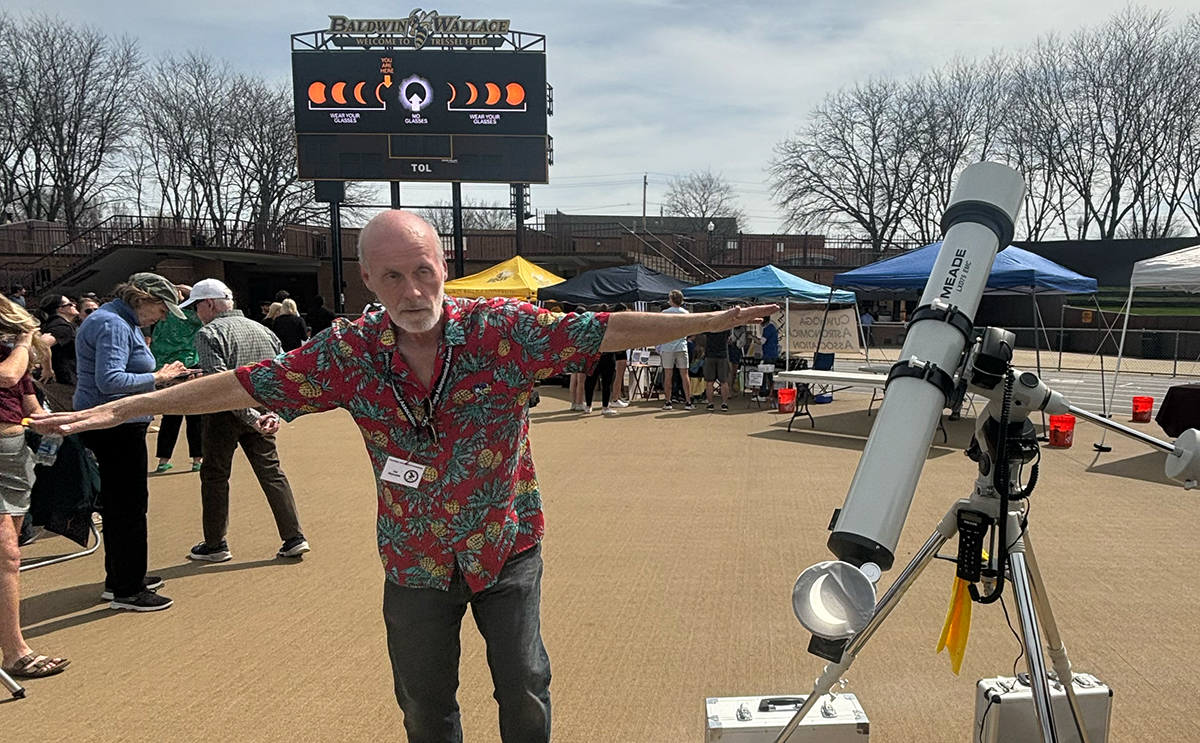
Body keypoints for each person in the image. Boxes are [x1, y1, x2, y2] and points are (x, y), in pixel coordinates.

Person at [32, 210, 775, 743]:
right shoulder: (348, 352)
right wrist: (123, 407)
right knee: (424, 704)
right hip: (415, 560)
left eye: (424, 270)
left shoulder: (501, 331)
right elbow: (243, 384)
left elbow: (604, 329)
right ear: (368, 279)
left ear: (443, 265)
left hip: (505, 546)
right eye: (394, 275)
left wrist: (704, 323)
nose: (414, 289)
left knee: (524, 684)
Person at [74, 273, 188, 611]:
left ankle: (123, 577)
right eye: (162, 309)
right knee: (129, 507)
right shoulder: (113, 324)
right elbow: (110, 380)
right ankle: (128, 588)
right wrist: (159, 377)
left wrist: (159, 378)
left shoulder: (115, 321)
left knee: (122, 505)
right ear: (142, 300)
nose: (163, 316)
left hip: (116, 421)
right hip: (115, 424)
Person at [181, 279, 309, 563]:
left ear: (209, 304)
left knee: (215, 476)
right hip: (262, 410)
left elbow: (219, 385)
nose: (195, 314)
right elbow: (279, 377)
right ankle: (294, 536)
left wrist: (251, 417)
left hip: (224, 415)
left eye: (196, 307)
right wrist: (268, 414)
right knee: (272, 473)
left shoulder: (209, 333)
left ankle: (215, 544)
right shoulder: (263, 329)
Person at [0, 296, 70, 679]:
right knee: (8, 555)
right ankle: (14, 650)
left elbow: (29, 406)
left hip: (13, 459)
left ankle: (12, 649)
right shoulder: (15, 355)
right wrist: (25, 344)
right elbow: (6, 377)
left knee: (7, 556)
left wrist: (68, 423)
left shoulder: (15, 356)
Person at [150, 285, 204, 474]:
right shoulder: (190, 318)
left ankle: (163, 460)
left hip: (165, 368)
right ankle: (198, 459)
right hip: (189, 366)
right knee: (195, 416)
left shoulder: (162, 316)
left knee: (170, 416)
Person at [36, 294, 79, 413]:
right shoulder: (62, 326)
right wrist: (47, 370)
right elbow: (43, 344)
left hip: (60, 379)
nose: (74, 305)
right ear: (61, 309)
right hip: (64, 381)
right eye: (70, 304)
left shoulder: (51, 324)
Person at [659, 290, 693, 411]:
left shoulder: (664, 313)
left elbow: (660, 330)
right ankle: (688, 401)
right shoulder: (686, 313)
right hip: (681, 345)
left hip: (667, 347)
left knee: (668, 375)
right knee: (684, 374)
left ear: (672, 299)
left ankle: (668, 401)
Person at [583, 306, 618, 416]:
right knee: (606, 383)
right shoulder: (612, 326)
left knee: (590, 381)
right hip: (608, 355)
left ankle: (589, 405)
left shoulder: (592, 325)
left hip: (595, 355)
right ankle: (605, 406)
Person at [703, 321, 732, 411]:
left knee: (709, 382)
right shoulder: (726, 326)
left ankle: (710, 403)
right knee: (724, 381)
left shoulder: (709, 326)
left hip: (710, 355)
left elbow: (703, 336)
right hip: (722, 355)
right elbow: (729, 338)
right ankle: (724, 404)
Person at [755, 315, 780, 402]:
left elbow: (762, 342)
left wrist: (753, 338)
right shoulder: (772, 328)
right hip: (772, 354)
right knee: (769, 376)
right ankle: (770, 393)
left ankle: (763, 393)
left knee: (764, 375)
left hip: (768, 354)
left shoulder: (768, 329)